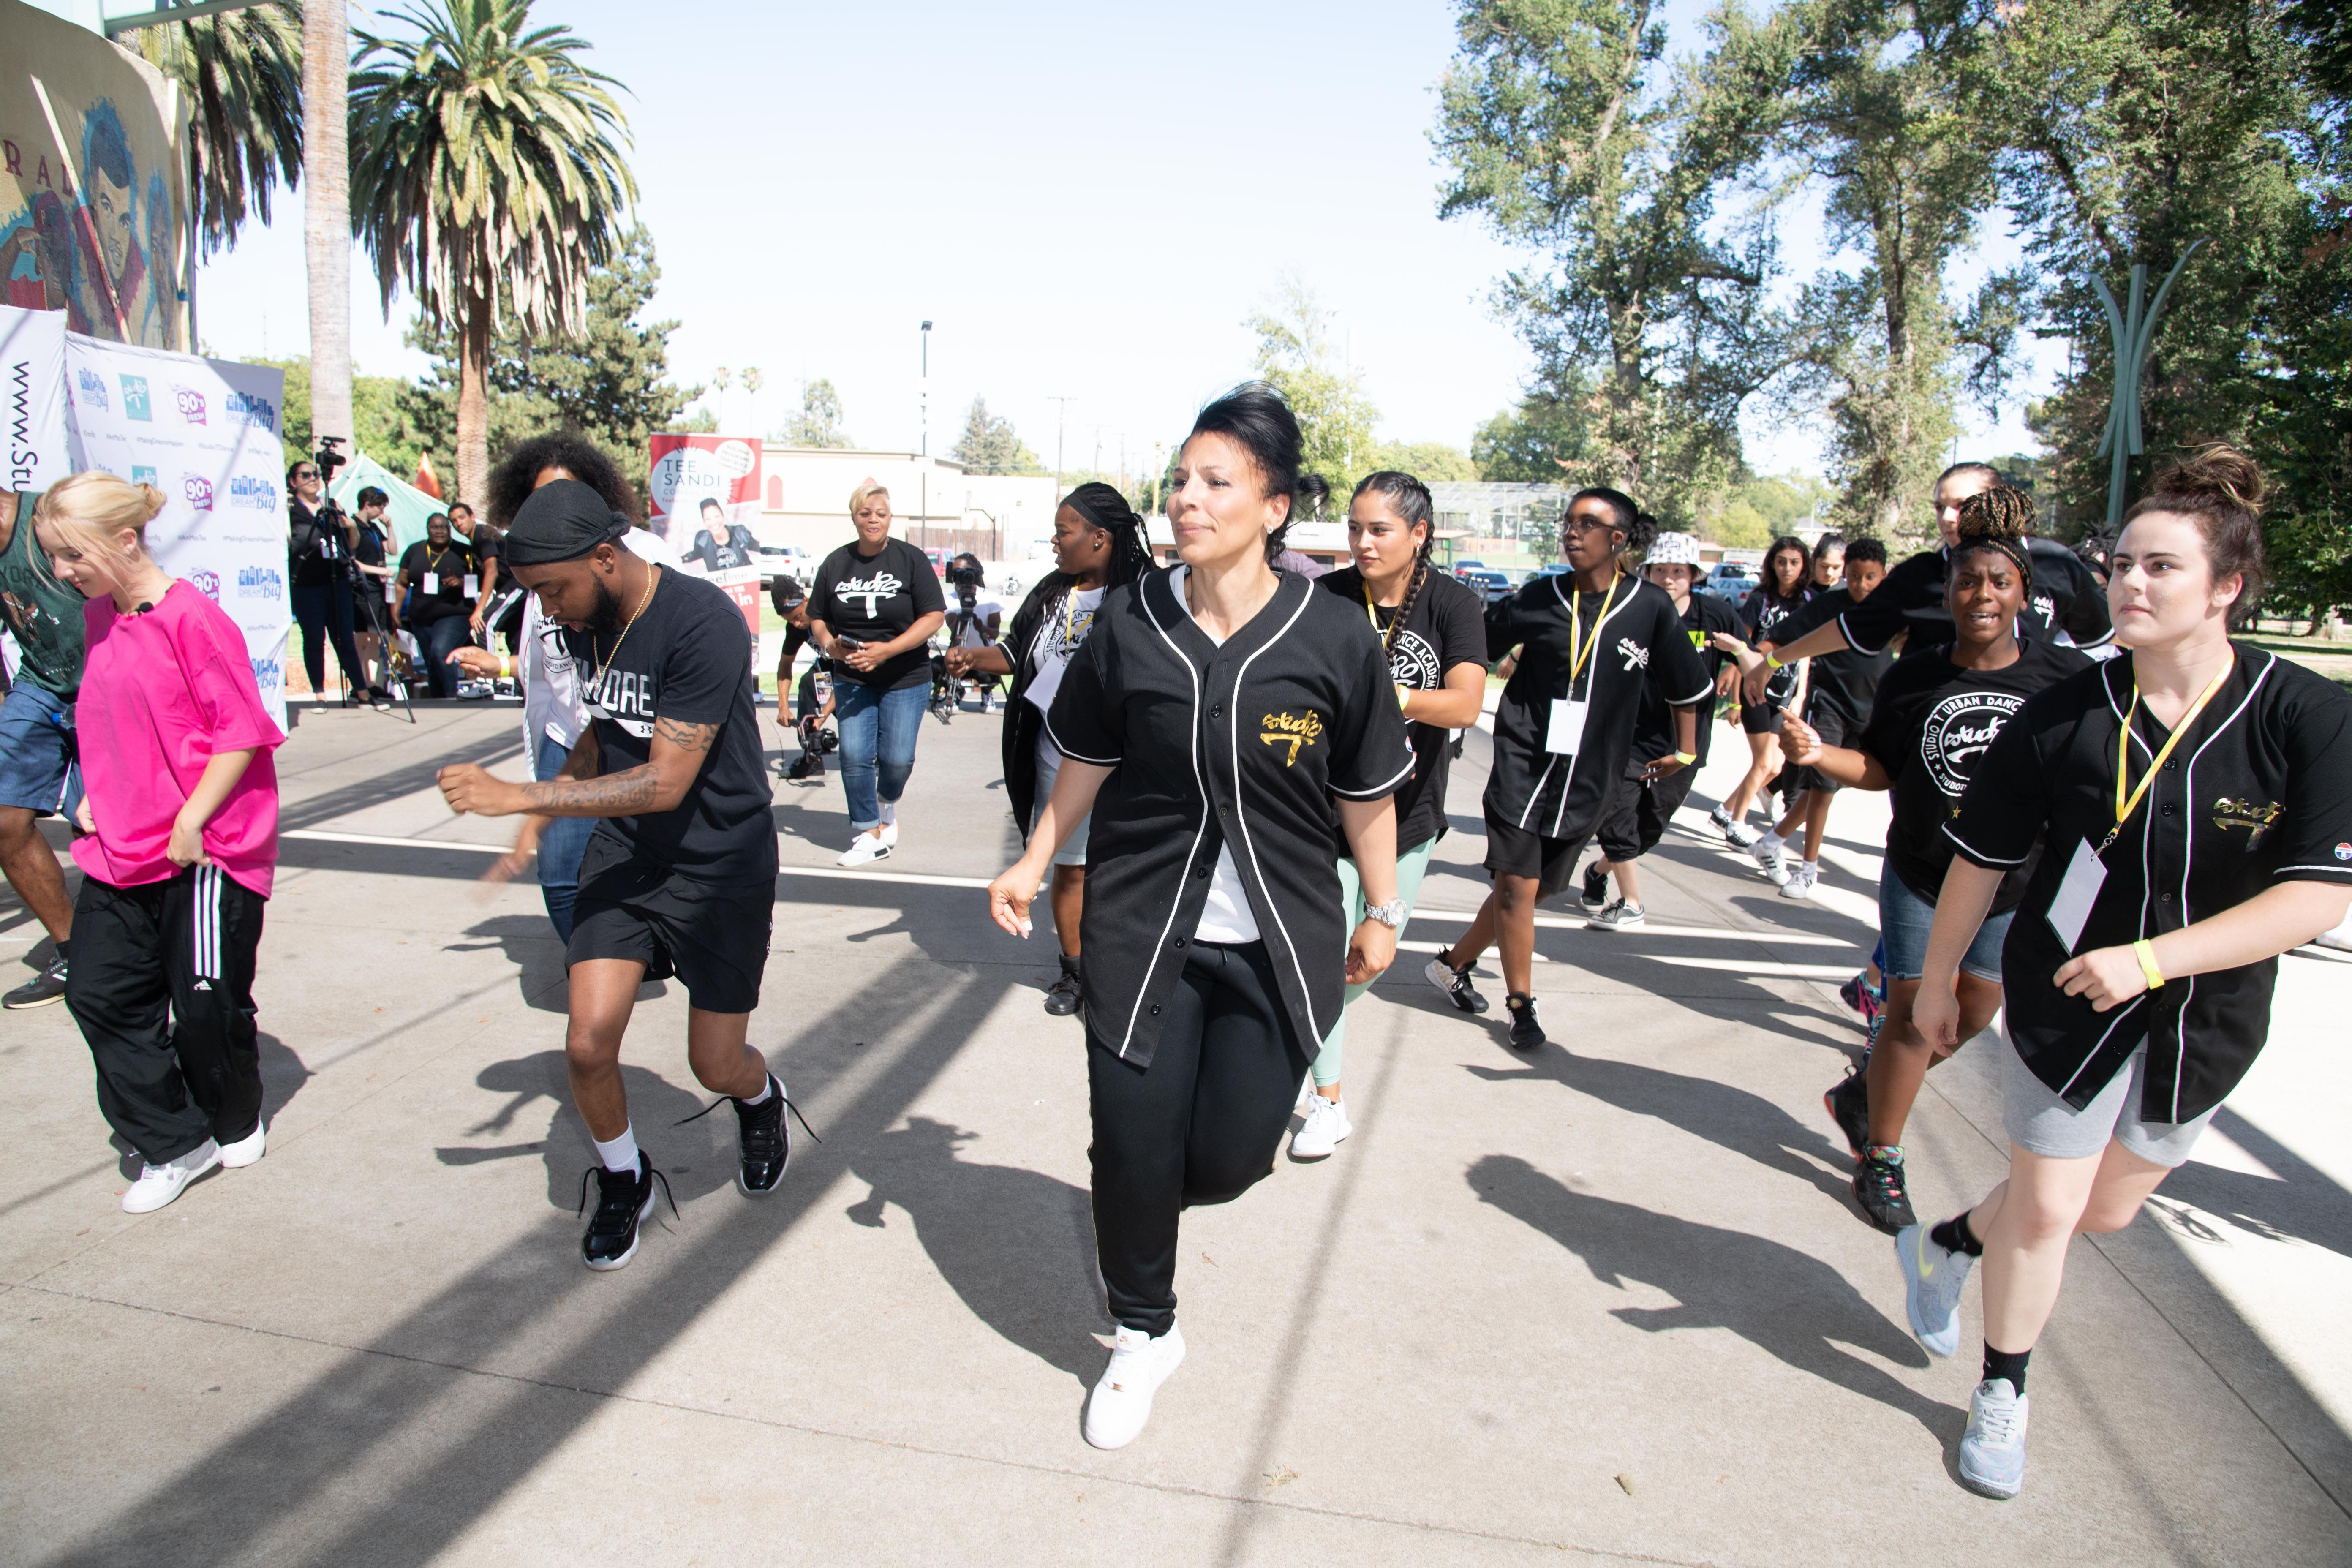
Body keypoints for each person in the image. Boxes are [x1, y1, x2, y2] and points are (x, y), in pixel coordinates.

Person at [1895, 448, 2352, 1500]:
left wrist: (2151, 960)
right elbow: (1982, 857)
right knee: (2050, 1213)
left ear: (2226, 587)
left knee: (2101, 1211)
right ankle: (2001, 1389)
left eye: (2160, 569)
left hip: (2207, 1009)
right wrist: (1935, 976)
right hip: (2062, 994)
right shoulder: (2065, 708)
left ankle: (1952, 1239)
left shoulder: (2308, 718)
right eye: (2120, 566)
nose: (2129, 587)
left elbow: (2317, 901)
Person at [984, 385, 1413, 1450]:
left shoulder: (1333, 636)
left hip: (1278, 940)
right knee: (1131, 1144)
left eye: (1216, 482)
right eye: (1180, 479)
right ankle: (1143, 1330)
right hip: (1139, 931)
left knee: (1225, 1161)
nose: (1187, 498)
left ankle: (1139, 1220)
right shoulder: (1132, 617)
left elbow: (1366, 794)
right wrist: (1038, 854)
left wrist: (1388, 909)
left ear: (1274, 507)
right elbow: (1084, 749)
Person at [437, 480, 795, 1271]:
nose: (547, 610)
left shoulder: (702, 622)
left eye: (552, 590)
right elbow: (605, 731)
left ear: (606, 557)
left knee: (715, 1062)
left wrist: (518, 795)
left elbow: (667, 779)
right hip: (627, 853)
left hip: (719, 863)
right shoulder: (587, 619)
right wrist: (540, 820)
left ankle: (759, 1099)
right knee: (589, 1041)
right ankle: (625, 1176)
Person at [1777, 490, 2088, 1232]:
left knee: (1972, 1013)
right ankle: (1879, 1156)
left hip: (2011, 884)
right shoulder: (1911, 676)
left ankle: (1861, 1093)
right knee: (1916, 1016)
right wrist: (1822, 755)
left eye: (1998, 583)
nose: (1981, 595)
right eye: (1966, 582)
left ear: (2023, 594)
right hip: (1921, 871)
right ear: (1944, 593)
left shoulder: (2061, 681)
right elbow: (1881, 769)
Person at [38, 473, 283, 1214]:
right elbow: (113, 721)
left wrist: (190, 819)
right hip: (120, 845)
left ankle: (234, 1113)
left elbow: (240, 732)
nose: (63, 572)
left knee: (205, 1001)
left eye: (72, 554)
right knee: (98, 992)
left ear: (123, 539)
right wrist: (89, 798)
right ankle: (175, 1140)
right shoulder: (97, 619)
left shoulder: (194, 619)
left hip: (209, 849)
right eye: (53, 557)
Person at [1422, 488, 1713, 1045]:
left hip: (1591, 775)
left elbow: (1689, 686)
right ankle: (1521, 1006)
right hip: (1524, 762)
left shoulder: (1648, 607)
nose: (1572, 532)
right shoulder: (1539, 597)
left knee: (1532, 892)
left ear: (1619, 540)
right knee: (1515, 887)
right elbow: (1469, 648)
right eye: (1569, 522)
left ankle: (1452, 964)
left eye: (1588, 524)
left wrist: (1687, 749)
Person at [1301, 471, 1486, 1155]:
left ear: (1418, 533)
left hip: (1407, 815)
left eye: (1377, 529)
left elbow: (1464, 703)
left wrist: (1388, 695)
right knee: (1324, 954)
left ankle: (1304, 1038)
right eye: (1353, 528)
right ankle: (1326, 1096)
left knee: (1369, 959)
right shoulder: (1326, 598)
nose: (1361, 542)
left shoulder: (1452, 604)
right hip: (1323, 812)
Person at [452, 438, 682, 940]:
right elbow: (549, 665)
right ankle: (600, 961)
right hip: (567, 737)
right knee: (559, 877)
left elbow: (680, 656)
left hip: (631, 741)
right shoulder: (542, 579)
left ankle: (623, 956)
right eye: (539, 499)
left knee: (642, 873)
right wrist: (499, 664)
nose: (553, 508)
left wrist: (516, 797)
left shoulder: (647, 561)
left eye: (568, 493)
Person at [945, 483, 1153, 1016]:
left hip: (1131, 756)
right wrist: (972, 658)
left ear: (1101, 538)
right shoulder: (1051, 592)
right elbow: (1015, 654)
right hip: (1055, 753)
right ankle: (1075, 971)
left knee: (1134, 867)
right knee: (1071, 865)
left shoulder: (1149, 593)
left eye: (1065, 531)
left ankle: (1137, 971)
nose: (1056, 542)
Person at [1740, 462, 2112, 708]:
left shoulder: (2057, 565)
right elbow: (1850, 627)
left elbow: (2105, 644)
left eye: (1962, 504)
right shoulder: (1922, 576)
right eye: (1939, 507)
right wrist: (1774, 659)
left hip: (2026, 740)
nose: (1949, 518)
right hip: (1938, 735)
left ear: (2000, 503)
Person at [1579, 529, 1744, 929]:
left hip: (1685, 741)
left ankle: (1600, 871)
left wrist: (1737, 665)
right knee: (1616, 816)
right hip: (1629, 734)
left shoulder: (1715, 614)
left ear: (1694, 575)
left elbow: (1748, 650)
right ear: (1648, 572)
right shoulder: (1634, 608)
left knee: (1649, 829)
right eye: (1660, 570)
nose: (1669, 578)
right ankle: (1631, 902)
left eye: (1679, 571)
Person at [807, 482, 946, 866]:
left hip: (906, 675)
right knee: (853, 754)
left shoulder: (910, 560)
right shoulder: (836, 563)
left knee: (897, 759)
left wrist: (888, 650)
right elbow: (816, 616)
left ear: (890, 518)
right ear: (854, 517)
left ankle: (886, 802)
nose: (873, 519)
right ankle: (869, 833)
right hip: (853, 678)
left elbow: (934, 615)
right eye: (865, 513)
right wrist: (828, 644)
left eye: (880, 513)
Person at [1744, 537, 1891, 898]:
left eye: (1870, 577)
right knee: (1821, 790)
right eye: (1854, 576)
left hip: (1871, 711)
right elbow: (1780, 637)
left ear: (1884, 576)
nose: (1861, 585)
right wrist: (1749, 663)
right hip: (1828, 708)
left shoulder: (1893, 609)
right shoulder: (1831, 606)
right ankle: (1808, 870)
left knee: (1821, 792)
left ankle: (1772, 842)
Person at [0, 483, 85, 1008]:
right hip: (41, 683)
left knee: (99, 826)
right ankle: (72, 953)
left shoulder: (52, 517)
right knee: (4, 818)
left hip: (110, 680)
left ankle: (137, 955)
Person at [1709, 535, 1811, 848]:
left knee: (1776, 765)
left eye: (1794, 562)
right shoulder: (1760, 600)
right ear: (1772, 565)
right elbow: (1741, 650)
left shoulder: (1808, 602)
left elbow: (1807, 650)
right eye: (1781, 562)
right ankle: (1736, 824)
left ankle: (1724, 811)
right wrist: (1736, 700)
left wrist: (1801, 693)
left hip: (1785, 693)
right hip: (1756, 690)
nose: (1787, 569)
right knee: (1765, 762)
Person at [286, 457, 371, 702]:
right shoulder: (291, 511)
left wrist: (351, 525)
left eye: (315, 473)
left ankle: (363, 693)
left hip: (339, 581)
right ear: (293, 482)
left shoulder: (332, 505)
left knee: (345, 637)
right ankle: (319, 694)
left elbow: (351, 546)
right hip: (307, 585)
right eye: (305, 475)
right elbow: (290, 544)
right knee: (314, 639)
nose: (312, 478)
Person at [391, 512, 480, 698]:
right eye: (435, 527)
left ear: (450, 530)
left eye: (444, 527)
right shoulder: (414, 551)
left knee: (440, 652)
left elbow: (482, 580)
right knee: (432, 662)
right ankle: (437, 702)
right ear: (427, 529)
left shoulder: (464, 551)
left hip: (455, 615)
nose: (440, 531)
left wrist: (461, 582)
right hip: (421, 619)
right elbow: (401, 583)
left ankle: (450, 697)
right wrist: (395, 613)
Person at [938, 553, 1004, 714]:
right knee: (939, 665)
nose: (958, 576)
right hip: (960, 656)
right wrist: (964, 615)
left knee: (988, 670)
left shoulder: (990, 598)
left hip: (984, 656)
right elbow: (954, 630)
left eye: (963, 571)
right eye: (955, 572)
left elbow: (995, 634)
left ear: (974, 572)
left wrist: (982, 628)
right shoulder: (950, 600)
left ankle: (987, 693)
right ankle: (955, 692)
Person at [348, 486, 397, 705]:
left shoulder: (374, 528)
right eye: (380, 507)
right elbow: (354, 562)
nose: (382, 511)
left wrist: (389, 526)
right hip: (363, 588)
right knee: (363, 639)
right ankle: (360, 684)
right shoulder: (354, 527)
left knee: (377, 638)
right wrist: (380, 571)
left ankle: (371, 683)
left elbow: (393, 550)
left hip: (379, 590)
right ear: (368, 505)